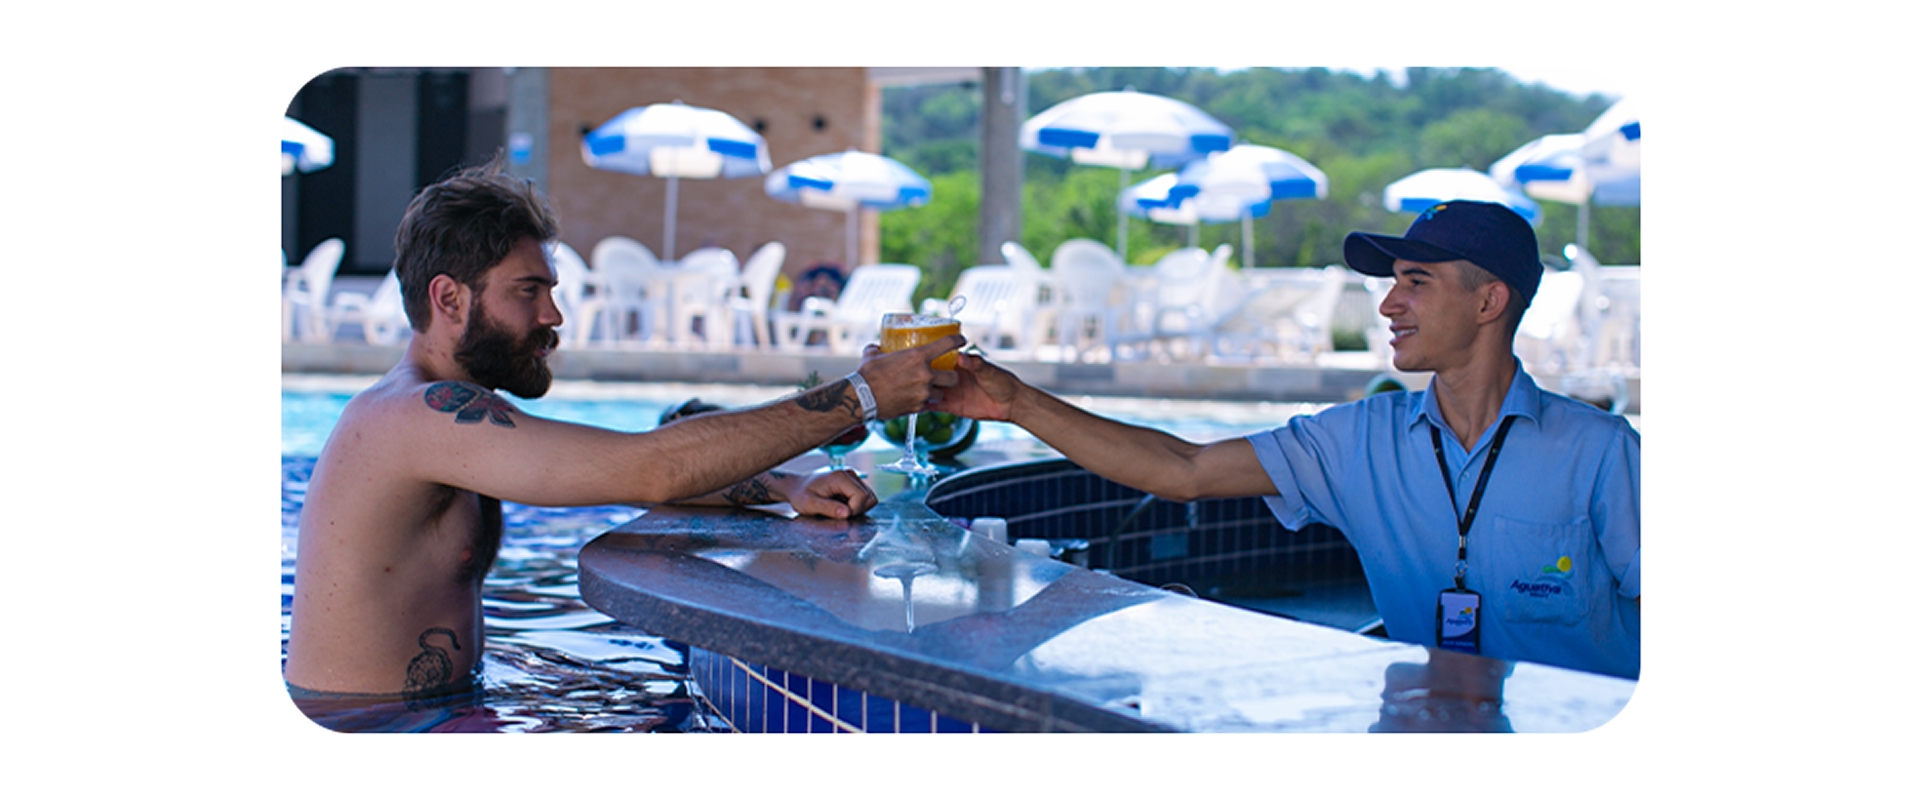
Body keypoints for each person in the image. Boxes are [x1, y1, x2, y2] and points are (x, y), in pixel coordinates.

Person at [285, 157, 963, 712]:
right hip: (369, 731)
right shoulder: (419, 415)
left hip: (436, 714)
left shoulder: (440, 414)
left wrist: (789, 484)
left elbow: (623, 465)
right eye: (528, 291)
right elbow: (652, 469)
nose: (554, 313)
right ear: (450, 299)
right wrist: (863, 395)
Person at [930, 201, 1639, 680]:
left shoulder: (1602, 453)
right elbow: (1187, 469)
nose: (1390, 304)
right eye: (1392, 282)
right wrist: (1017, 402)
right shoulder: (1359, 441)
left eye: (1416, 282)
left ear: (1490, 302)